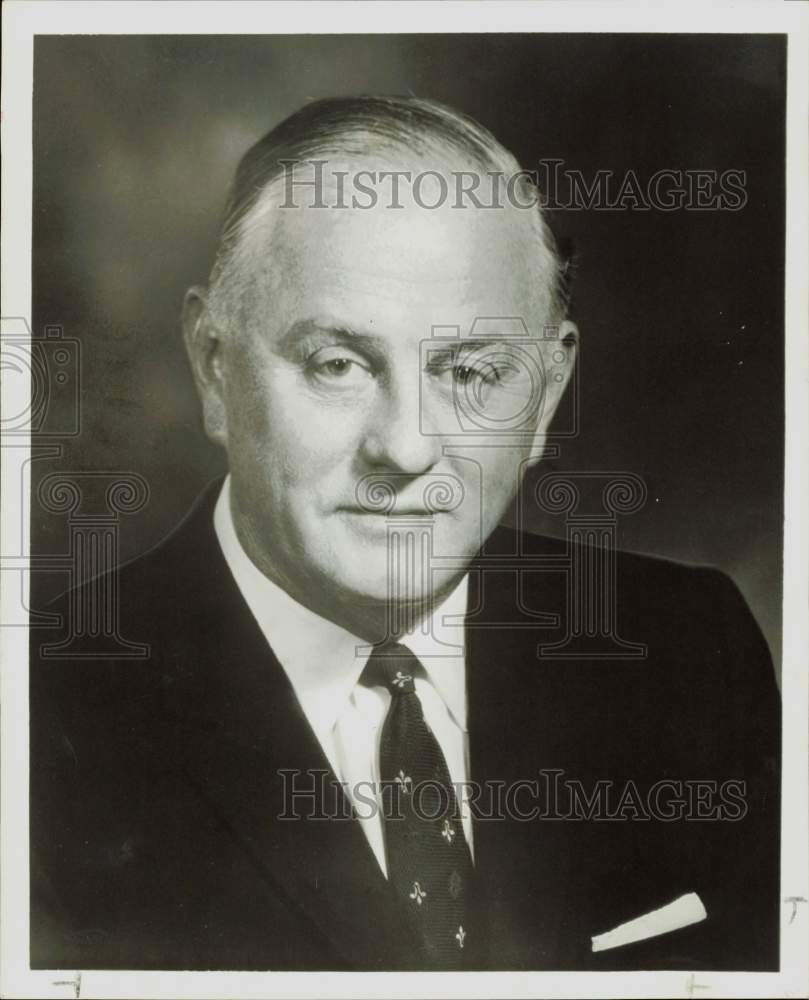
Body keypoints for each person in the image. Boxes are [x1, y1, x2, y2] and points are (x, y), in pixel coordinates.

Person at [30, 96, 780, 972]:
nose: (408, 447)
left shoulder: (691, 651)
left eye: (470, 371)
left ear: (544, 395)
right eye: (337, 365)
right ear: (213, 365)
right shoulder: (42, 713)